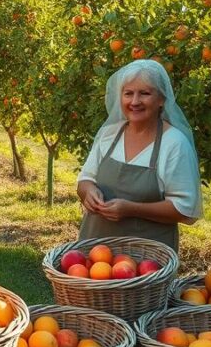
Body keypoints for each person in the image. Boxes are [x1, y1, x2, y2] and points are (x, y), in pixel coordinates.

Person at [76, 59, 202, 251]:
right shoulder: (109, 135)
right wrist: (88, 192)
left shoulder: (174, 144)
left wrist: (131, 209)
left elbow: (185, 209)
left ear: (161, 99)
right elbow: (85, 179)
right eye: (128, 94)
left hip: (146, 261)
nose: (135, 101)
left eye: (144, 93)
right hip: (94, 254)